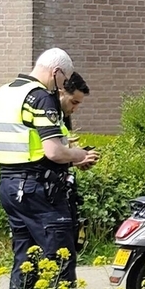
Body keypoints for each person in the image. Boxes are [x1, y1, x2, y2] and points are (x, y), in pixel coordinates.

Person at [0, 48, 100, 289]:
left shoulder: (6, 91)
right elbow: (53, 152)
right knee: (60, 258)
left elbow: (27, 143)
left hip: (10, 185)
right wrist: (78, 155)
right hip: (39, 190)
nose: (62, 86)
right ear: (56, 72)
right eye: (63, 80)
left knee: (26, 257)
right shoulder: (40, 96)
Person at [59, 72, 91, 253]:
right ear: (61, 92)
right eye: (74, 102)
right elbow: (49, 155)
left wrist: (76, 159)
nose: (75, 108)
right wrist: (76, 157)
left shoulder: (61, 117)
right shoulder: (47, 115)